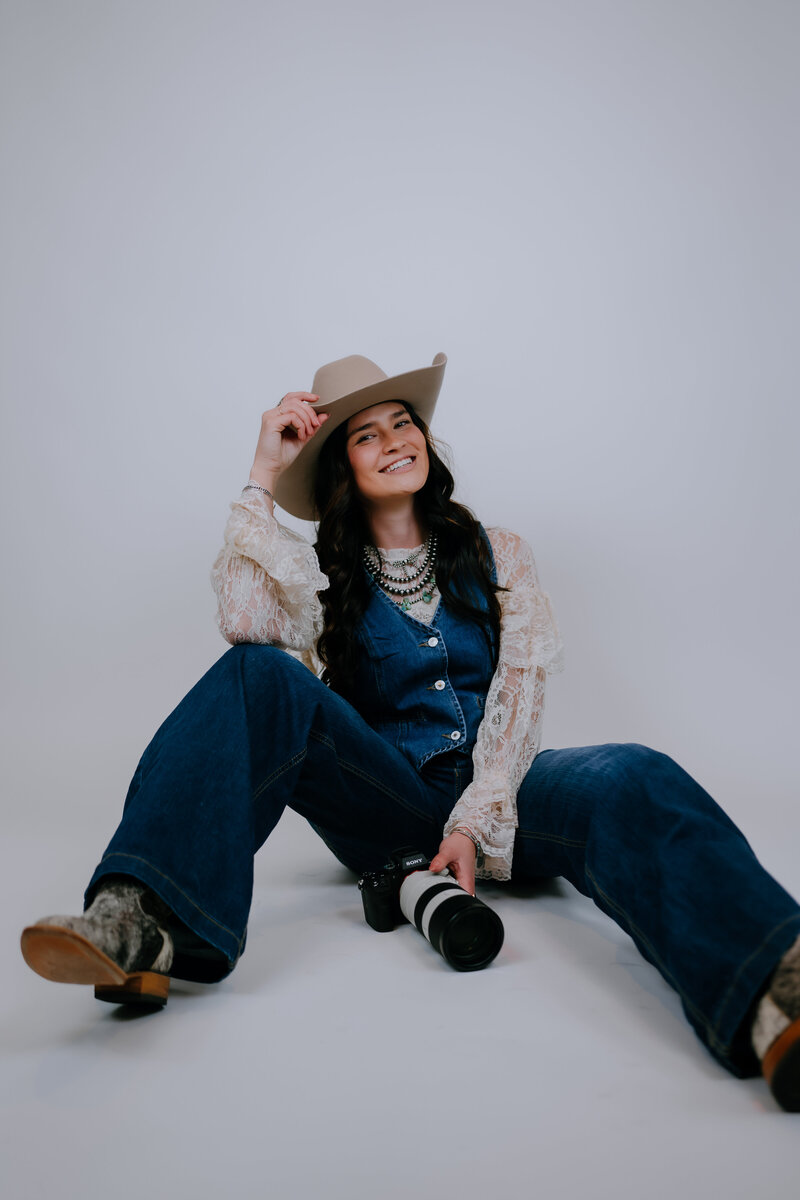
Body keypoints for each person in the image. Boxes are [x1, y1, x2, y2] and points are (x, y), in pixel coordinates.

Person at [20, 352, 800, 1110]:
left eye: (404, 423)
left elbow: (519, 699)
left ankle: (771, 990)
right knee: (257, 674)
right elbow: (244, 622)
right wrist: (261, 474)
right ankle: (142, 922)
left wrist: (475, 815)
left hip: (500, 791)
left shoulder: (502, 553)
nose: (395, 440)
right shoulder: (319, 576)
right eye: (367, 434)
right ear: (340, 467)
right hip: (383, 798)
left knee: (628, 770)